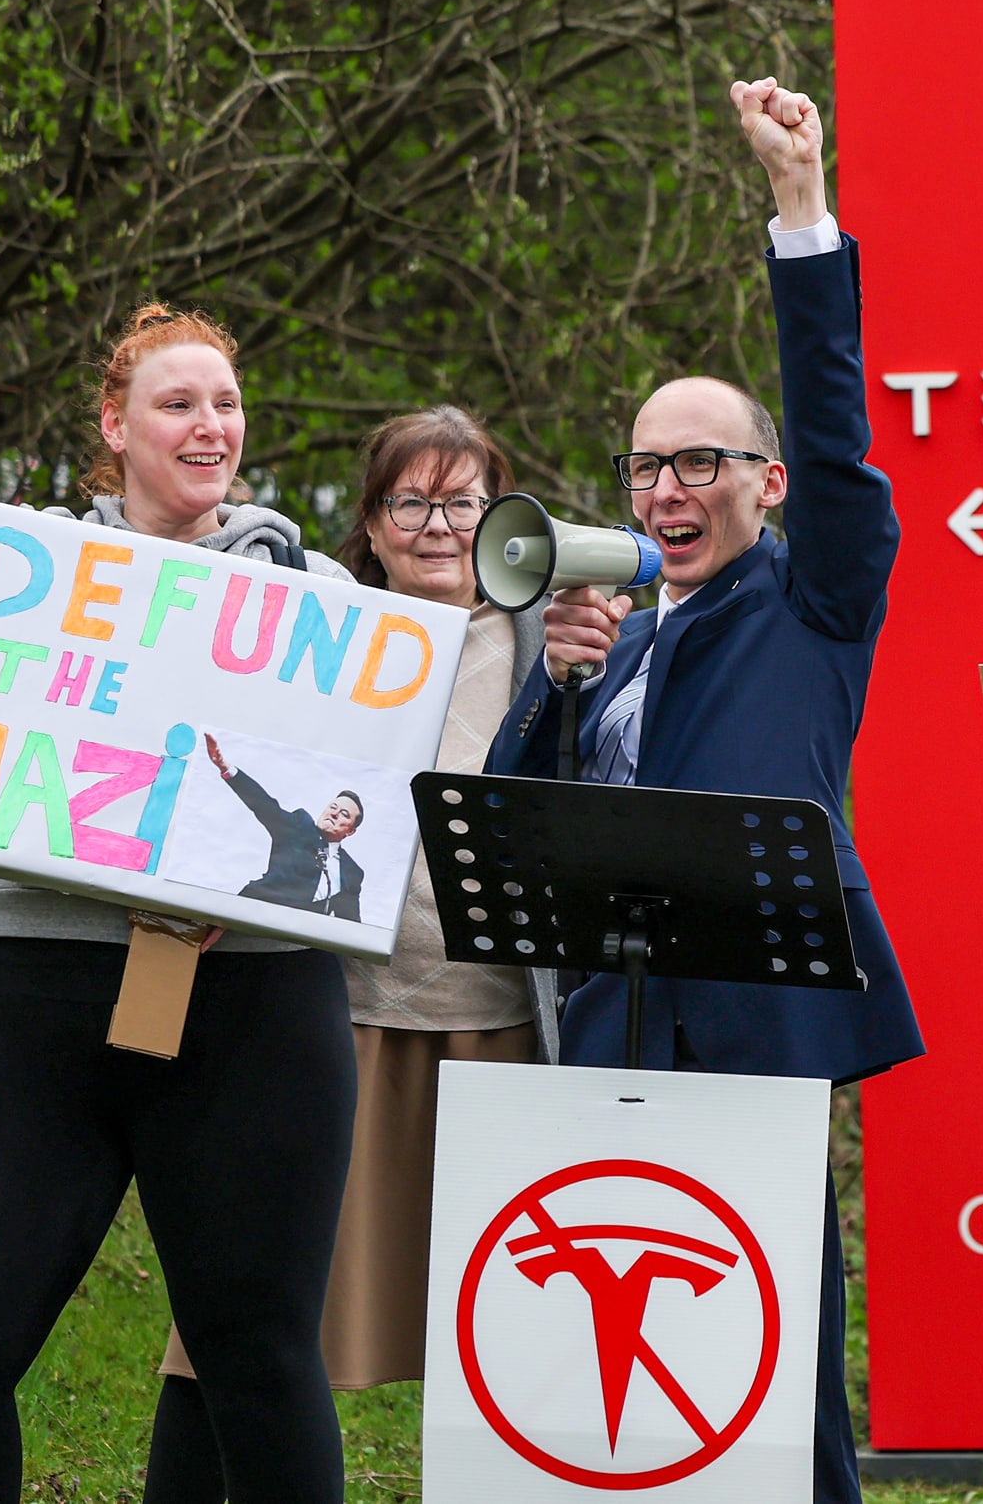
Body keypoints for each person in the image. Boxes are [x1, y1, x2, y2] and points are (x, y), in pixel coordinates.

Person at [0, 281, 357, 1501]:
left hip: (256, 1010)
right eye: (178, 402)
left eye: (227, 402)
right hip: (41, 997)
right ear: (114, 423)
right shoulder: (22, 568)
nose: (210, 425)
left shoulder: (314, 595)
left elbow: (375, 775)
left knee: (257, 1360)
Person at [483, 75, 923, 1504]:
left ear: (767, 484)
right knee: (617, 1401)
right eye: (645, 464)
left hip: (754, 1037)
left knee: (771, 1368)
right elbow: (511, 819)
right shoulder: (611, 635)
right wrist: (555, 682)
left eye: (699, 460)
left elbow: (841, 437)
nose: (666, 487)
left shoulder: (813, 600)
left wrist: (801, 208)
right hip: (610, 1034)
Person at [146, 407, 561, 1503]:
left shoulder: (550, 646)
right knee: (232, 1316)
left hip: (498, 1033)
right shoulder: (316, 634)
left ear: (498, 517)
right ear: (370, 523)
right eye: (409, 502)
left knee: (519, 1339)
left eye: (462, 501)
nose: (438, 526)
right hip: (327, 1022)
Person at [201, 734, 368, 919]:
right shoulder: (298, 826)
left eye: (344, 814)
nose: (334, 813)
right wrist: (225, 768)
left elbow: (350, 922)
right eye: (333, 807)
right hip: (251, 913)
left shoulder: (352, 872)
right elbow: (264, 805)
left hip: (292, 931)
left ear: (351, 831)